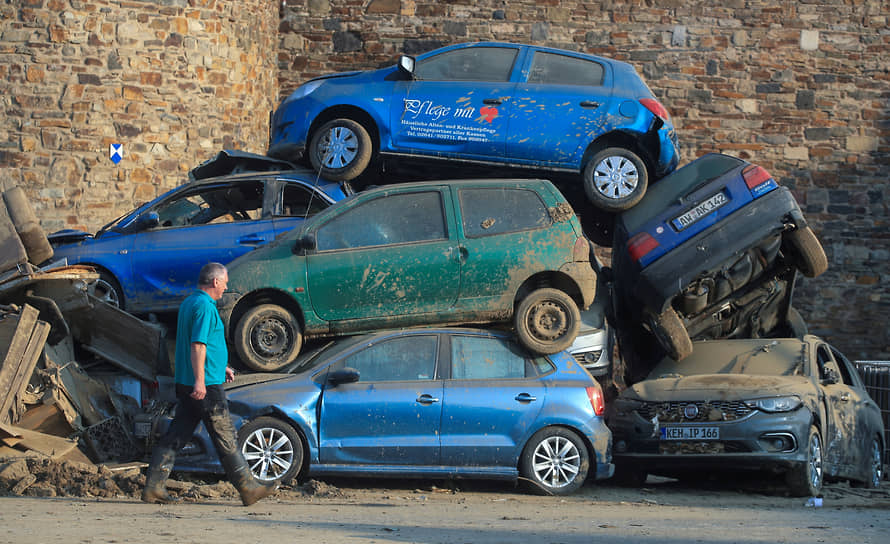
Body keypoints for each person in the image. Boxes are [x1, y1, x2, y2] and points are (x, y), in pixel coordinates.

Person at [142, 262, 278, 506]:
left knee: (177, 434)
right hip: (203, 385)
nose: (226, 287)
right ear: (215, 282)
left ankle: (153, 487)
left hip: (190, 380)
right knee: (225, 434)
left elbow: (197, 344)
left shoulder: (190, 302)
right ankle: (248, 488)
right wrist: (201, 380)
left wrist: (218, 366)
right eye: (225, 282)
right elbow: (197, 344)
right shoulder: (205, 307)